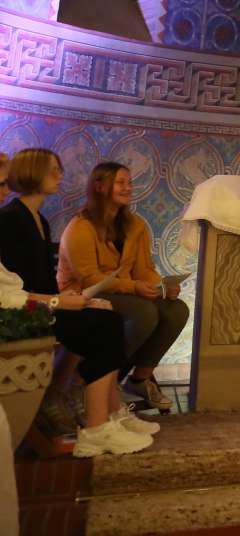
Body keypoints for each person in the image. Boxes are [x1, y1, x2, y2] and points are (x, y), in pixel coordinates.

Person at [0, 149, 155, 457]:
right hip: (22, 312)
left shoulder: (38, 218)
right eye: (53, 170)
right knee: (104, 326)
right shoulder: (11, 218)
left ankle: (110, 417)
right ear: (33, 173)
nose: (60, 176)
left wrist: (75, 301)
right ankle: (96, 429)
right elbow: (14, 287)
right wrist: (61, 302)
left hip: (41, 303)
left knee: (105, 317)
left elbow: (40, 279)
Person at [57, 161, 188, 414]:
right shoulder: (80, 227)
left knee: (176, 309)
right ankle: (98, 378)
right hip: (83, 297)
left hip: (123, 292)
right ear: (100, 186)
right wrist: (135, 287)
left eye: (129, 183)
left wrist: (162, 287)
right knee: (144, 313)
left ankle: (140, 378)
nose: (128, 188)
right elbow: (89, 279)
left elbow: (143, 269)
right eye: (121, 182)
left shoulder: (135, 225)